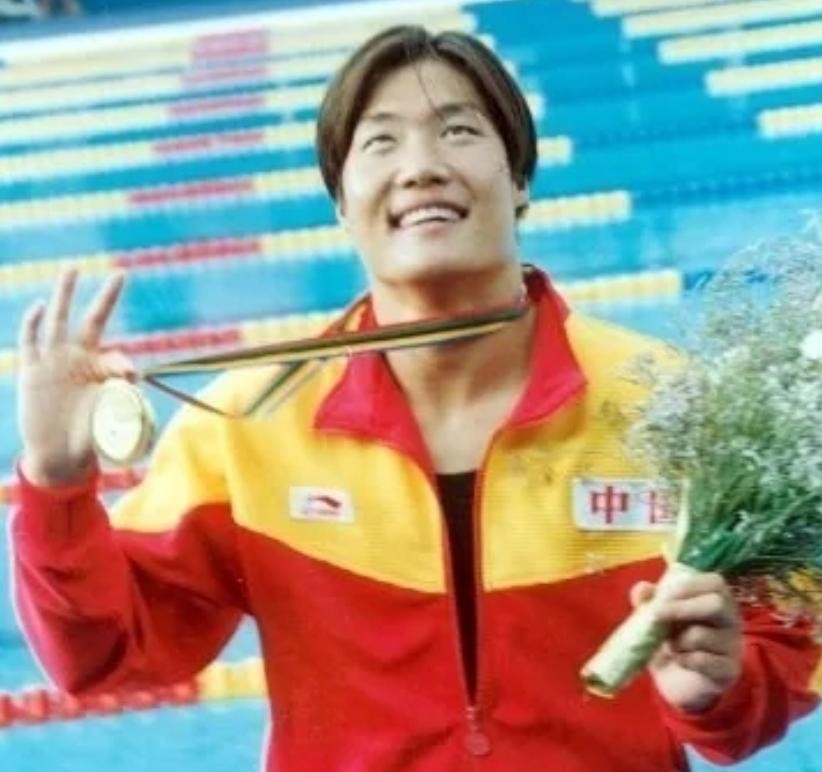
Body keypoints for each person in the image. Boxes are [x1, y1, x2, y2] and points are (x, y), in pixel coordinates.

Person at [10, 25, 821, 772]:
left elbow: (781, 652)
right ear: (341, 202)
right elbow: (105, 656)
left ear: (520, 178)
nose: (421, 164)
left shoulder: (667, 404)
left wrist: (716, 690)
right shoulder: (247, 423)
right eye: (381, 141)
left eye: (459, 131)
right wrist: (54, 484)